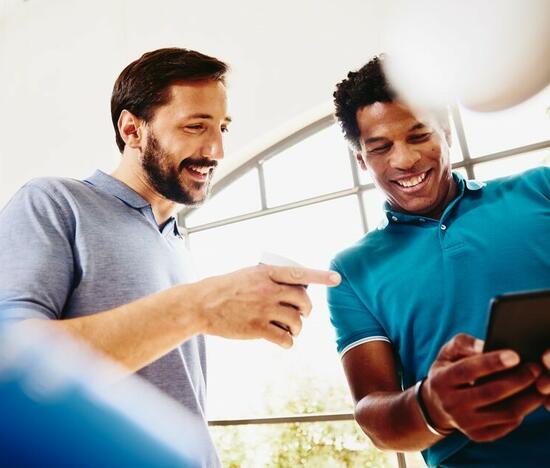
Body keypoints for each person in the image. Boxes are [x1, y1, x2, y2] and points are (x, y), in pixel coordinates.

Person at [0, 48, 341, 466]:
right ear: (132, 129)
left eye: (222, 128)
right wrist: (199, 306)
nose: (215, 149)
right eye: (195, 126)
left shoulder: (176, 241)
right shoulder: (53, 203)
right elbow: (11, 363)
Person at [327, 56, 550, 467]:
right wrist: (432, 405)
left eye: (419, 135)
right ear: (361, 159)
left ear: (445, 130)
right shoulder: (351, 271)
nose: (405, 160)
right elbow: (374, 415)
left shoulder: (541, 190)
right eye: (380, 148)